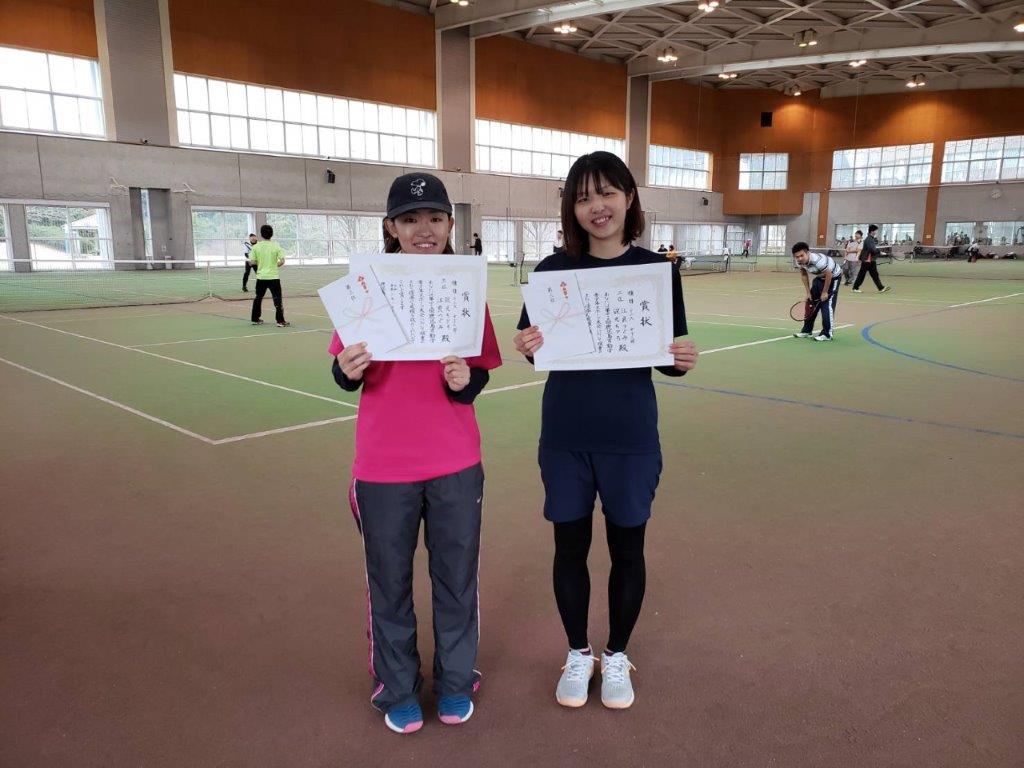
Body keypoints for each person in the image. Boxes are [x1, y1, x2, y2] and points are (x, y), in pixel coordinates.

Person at [513, 152, 698, 711]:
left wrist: (680, 359)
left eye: (608, 192)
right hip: (566, 435)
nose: (598, 206)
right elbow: (533, 347)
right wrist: (527, 346)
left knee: (627, 549)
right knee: (569, 548)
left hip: (631, 436)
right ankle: (577, 650)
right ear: (573, 207)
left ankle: (616, 655)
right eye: (585, 196)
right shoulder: (551, 271)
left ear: (629, 198)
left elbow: (666, 355)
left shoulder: (657, 272)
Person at [331, 173, 502, 735]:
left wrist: (463, 380)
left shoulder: (465, 286)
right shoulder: (365, 286)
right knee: (389, 584)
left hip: (454, 462)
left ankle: (456, 682)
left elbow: (477, 377)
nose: (423, 230)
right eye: (410, 219)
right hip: (382, 469)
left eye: (434, 218)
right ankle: (396, 687)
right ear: (391, 228)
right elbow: (345, 371)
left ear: (451, 225)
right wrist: (344, 369)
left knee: (456, 580)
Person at [791, 242, 842, 342]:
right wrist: (808, 293)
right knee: (810, 304)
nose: (799, 258)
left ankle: (827, 334)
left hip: (833, 277)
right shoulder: (799, 262)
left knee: (826, 305)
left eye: (802, 255)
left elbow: (829, 274)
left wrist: (825, 292)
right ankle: (807, 330)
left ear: (808, 253)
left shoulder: (818, 260)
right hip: (819, 278)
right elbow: (804, 274)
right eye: (797, 257)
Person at [249, 224, 289, 327]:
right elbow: (282, 261)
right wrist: (274, 265)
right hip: (273, 277)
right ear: (271, 234)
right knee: (277, 298)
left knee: (258, 298)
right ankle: (280, 321)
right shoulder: (276, 246)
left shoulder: (256, 247)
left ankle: (255, 319)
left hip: (261, 277)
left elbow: (252, 262)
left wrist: (261, 263)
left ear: (261, 234)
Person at [852, 224, 891, 293]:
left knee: (873, 274)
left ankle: (880, 288)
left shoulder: (870, 239)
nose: (876, 232)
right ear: (872, 231)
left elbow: (873, 249)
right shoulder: (869, 239)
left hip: (870, 260)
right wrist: (880, 252)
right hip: (868, 260)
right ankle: (855, 287)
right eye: (876, 230)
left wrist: (879, 252)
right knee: (863, 274)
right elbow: (873, 249)